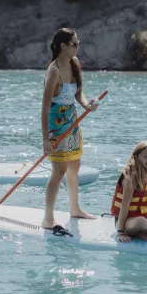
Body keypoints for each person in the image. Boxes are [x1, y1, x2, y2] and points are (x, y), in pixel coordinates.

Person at [41, 28, 100, 229]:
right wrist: (45, 140)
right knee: (59, 170)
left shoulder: (74, 64)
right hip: (56, 125)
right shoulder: (53, 71)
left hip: (72, 121)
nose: (77, 47)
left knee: (75, 165)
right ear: (63, 46)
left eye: (78, 43)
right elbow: (45, 107)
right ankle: (48, 219)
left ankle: (75, 209)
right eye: (74, 44)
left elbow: (78, 95)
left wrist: (87, 105)